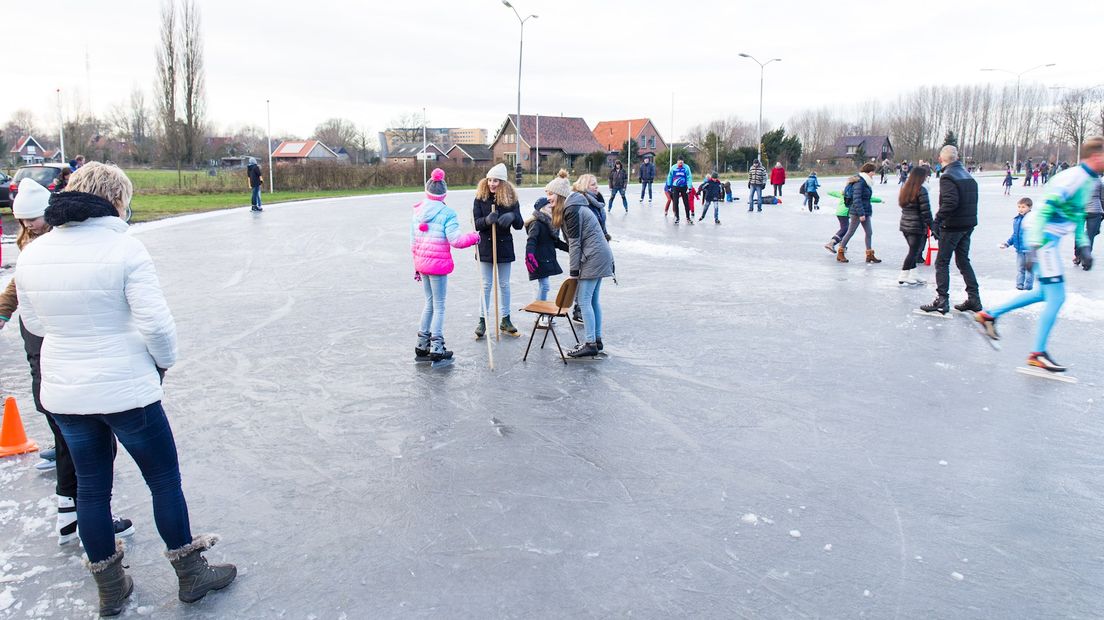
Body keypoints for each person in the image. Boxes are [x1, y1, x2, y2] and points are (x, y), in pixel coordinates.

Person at [15, 163, 236, 616]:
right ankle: (191, 573)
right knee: (163, 479)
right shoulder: (125, 249)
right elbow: (156, 324)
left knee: (92, 490)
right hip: (126, 388)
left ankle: (111, 587)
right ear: (117, 200)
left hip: (66, 391)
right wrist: (160, 363)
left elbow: (34, 323)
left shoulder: (34, 254)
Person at [0, 179, 136, 547]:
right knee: (86, 445)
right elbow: (21, 290)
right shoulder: (48, 244)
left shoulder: (41, 241)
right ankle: (80, 516)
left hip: (52, 350)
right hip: (57, 352)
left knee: (71, 439)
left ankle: (68, 511)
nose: (31, 226)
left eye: (34, 219)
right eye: (26, 221)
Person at [975, 137, 1102, 372]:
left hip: (1046, 240)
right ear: (1096, 157)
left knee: (1044, 293)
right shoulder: (1073, 178)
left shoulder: (1089, 179)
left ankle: (989, 315)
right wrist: (1033, 247)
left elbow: (1076, 215)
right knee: (1057, 297)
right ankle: (1037, 353)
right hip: (1042, 239)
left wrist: (1083, 244)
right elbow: (1044, 210)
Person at [411, 168, 481, 362]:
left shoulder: (417, 211)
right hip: (437, 266)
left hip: (423, 264)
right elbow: (456, 240)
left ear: (427, 192)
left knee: (429, 303)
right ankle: (436, 346)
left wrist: (416, 266)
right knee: (439, 305)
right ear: (444, 194)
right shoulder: (447, 213)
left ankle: (421, 343)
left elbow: (413, 241)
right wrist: (474, 237)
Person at [560, 175, 616, 358]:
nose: (548, 199)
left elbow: (575, 243)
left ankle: (590, 342)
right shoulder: (578, 205)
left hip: (594, 257)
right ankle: (596, 340)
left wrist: (573, 273)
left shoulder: (572, 209)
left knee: (584, 300)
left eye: (550, 195)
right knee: (592, 300)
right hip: (600, 255)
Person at [920, 145, 980, 314]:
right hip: (967, 224)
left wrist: (937, 221)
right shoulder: (967, 174)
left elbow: (950, 202)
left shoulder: (948, 176)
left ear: (941, 159)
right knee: (963, 261)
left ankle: (942, 299)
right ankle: (974, 298)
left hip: (953, 226)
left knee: (942, 262)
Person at [473, 163, 524, 338]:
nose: (492, 183)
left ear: (503, 182)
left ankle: (506, 319)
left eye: (496, 180)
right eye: (490, 180)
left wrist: (512, 216)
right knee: (486, 285)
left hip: (504, 246)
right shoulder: (480, 198)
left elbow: (519, 224)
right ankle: (482, 320)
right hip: (486, 246)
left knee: (504, 284)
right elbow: (476, 223)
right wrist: (487, 220)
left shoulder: (511, 199)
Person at [525, 171, 570, 301]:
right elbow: (531, 240)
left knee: (544, 286)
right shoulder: (537, 223)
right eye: (548, 207)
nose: (552, 208)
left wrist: (570, 249)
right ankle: (540, 313)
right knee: (544, 286)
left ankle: (541, 313)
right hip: (538, 260)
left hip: (546, 259)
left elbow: (556, 242)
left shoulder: (551, 224)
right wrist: (530, 255)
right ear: (542, 209)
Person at [836, 162, 882, 264]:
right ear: (869, 172)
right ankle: (840, 252)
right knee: (850, 232)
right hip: (857, 212)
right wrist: (861, 214)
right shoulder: (860, 182)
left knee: (869, 232)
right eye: (873, 172)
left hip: (865, 211)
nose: (874, 174)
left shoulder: (866, 182)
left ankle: (869, 255)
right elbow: (856, 199)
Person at [897, 167, 933, 285]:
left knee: (913, 250)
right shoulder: (921, 190)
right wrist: (932, 225)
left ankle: (913, 273)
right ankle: (903, 274)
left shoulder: (905, 188)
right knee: (914, 251)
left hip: (905, 225)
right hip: (916, 225)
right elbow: (925, 211)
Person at [1001, 197, 1034, 290]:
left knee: (1029, 270)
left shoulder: (1032, 219)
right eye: (1019, 207)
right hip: (1019, 249)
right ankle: (1019, 286)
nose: (1020, 209)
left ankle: (1028, 287)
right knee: (1020, 269)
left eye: (1023, 207)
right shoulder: (1017, 219)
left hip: (1030, 250)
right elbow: (1015, 234)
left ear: (1030, 207)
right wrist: (1007, 243)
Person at [1073, 176, 1102, 264]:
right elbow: (1103, 198)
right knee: (1090, 235)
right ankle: (1086, 259)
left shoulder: (1078, 180)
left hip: (1080, 211)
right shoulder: (1098, 181)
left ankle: (1077, 256)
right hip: (1095, 211)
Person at [825, 176, 854, 257]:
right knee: (845, 229)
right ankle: (832, 243)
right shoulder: (853, 193)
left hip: (840, 212)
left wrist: (828, 192)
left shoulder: (844, 192)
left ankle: (842, 245)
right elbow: (868, 199)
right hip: (844, 213)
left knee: (846, 228)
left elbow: (834, 193)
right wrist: (879, 200)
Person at [665, 158, 693, 224]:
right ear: (677, 162)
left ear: (683, 162)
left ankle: (688, 218)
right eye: (679, 162)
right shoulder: (673, 167)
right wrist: (669, 185)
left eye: (682, 162)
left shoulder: (686, 167)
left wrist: (689, 187)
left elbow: (689, 177)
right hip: (675, 187)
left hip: (684, 187)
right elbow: (670, 176)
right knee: (675, 202)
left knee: (686, 202)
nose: (681, 163)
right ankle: (677, 218)